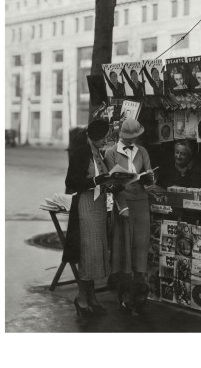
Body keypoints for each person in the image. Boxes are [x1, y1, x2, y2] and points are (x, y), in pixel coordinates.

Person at [63, 120, 123, 316]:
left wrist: (115, 184)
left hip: (98, 206)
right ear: (95, 135)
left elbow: (103, 178)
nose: (106, 139)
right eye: (104, 136)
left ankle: (91, 298)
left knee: (95, 254)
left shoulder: (99, 153)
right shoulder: (81, 152)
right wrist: (96, 180)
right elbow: (71, 183)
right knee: (86, 254)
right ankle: (82, 298)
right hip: (85, 206)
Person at [104, 118, 154, 309]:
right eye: (129, 138)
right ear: (121, 135)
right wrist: (121, 206)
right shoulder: (110, 153)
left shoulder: (142, 151)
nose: (133, 141)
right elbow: (111, 184)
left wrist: (149, 177)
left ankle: (139, 293)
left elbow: (149, 176)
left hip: (141, 203)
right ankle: (123, 293)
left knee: (140, 247)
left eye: (135, 137)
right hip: (123, 204)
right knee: (123, 248)